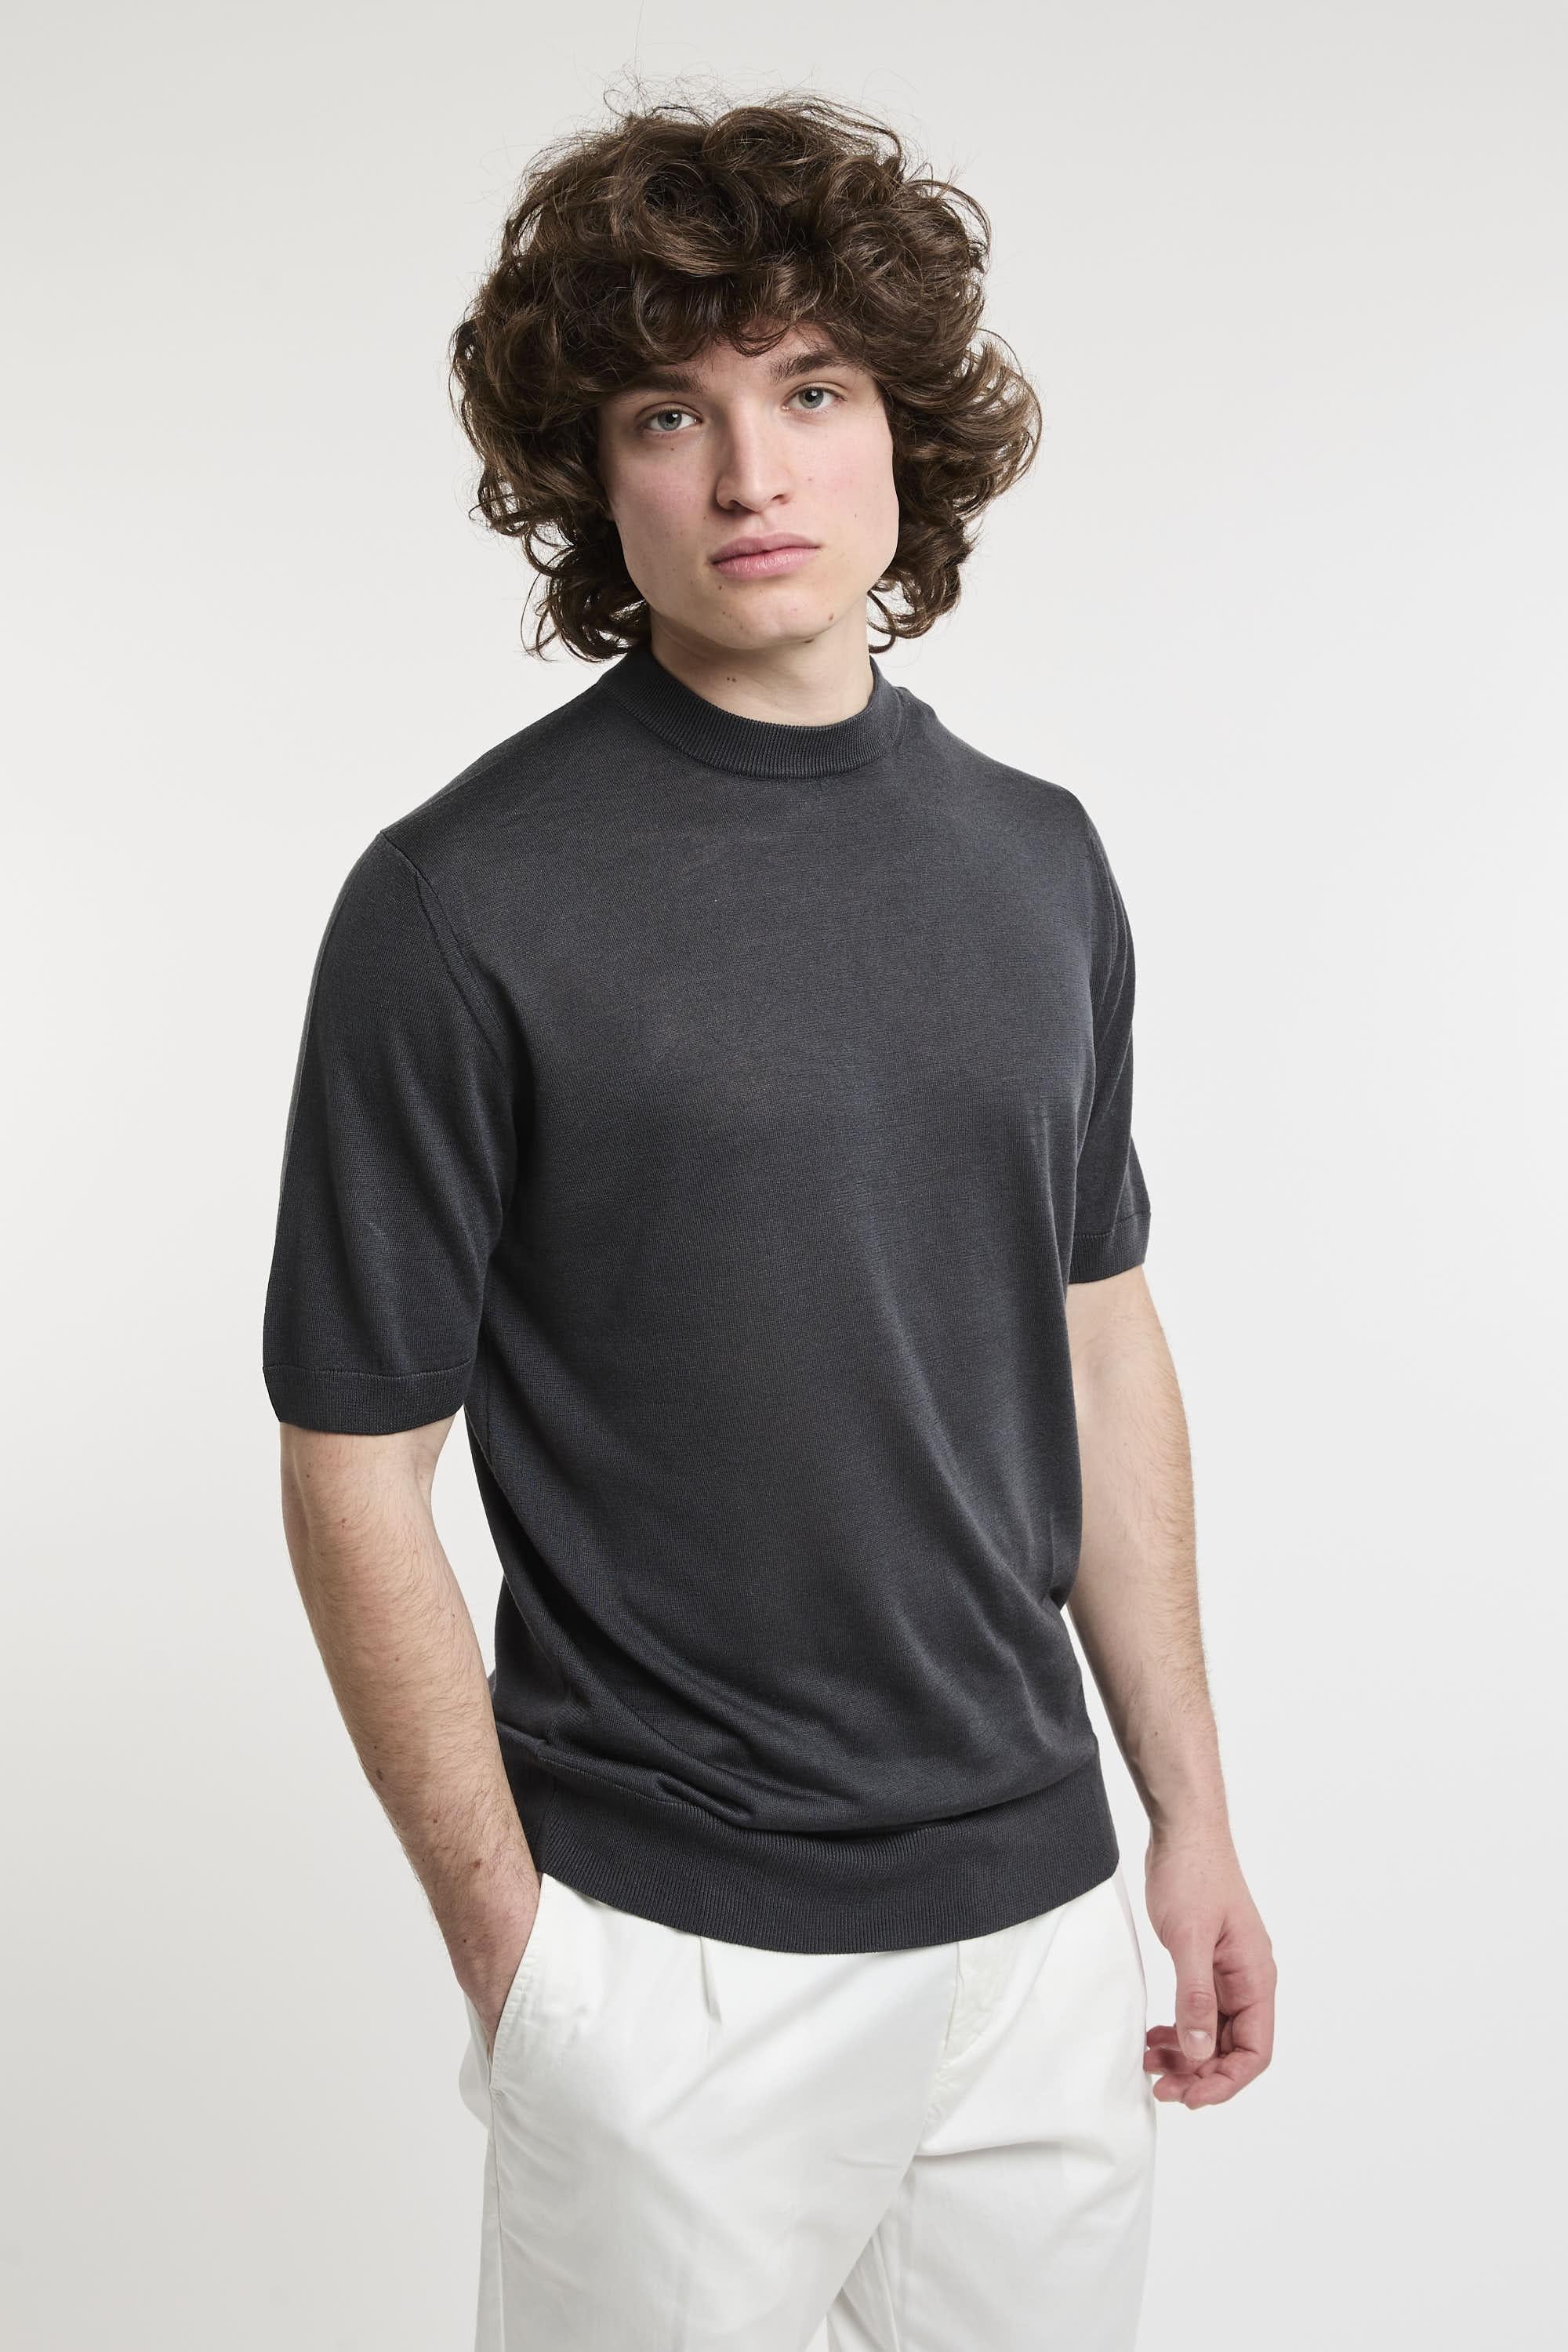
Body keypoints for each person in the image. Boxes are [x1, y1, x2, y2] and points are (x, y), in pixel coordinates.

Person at [262, 87, 1276, 2352]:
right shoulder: (457, 904)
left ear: (904, 428)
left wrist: (1188, 1816)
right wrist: (521, 1954)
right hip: (670, 1965)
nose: (749, 475)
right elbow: (351, 1469)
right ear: (592, 474)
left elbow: (1100, 1341)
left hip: (1039, 1935)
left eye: (809, 391)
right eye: (669, 412)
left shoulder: (1040, 861)